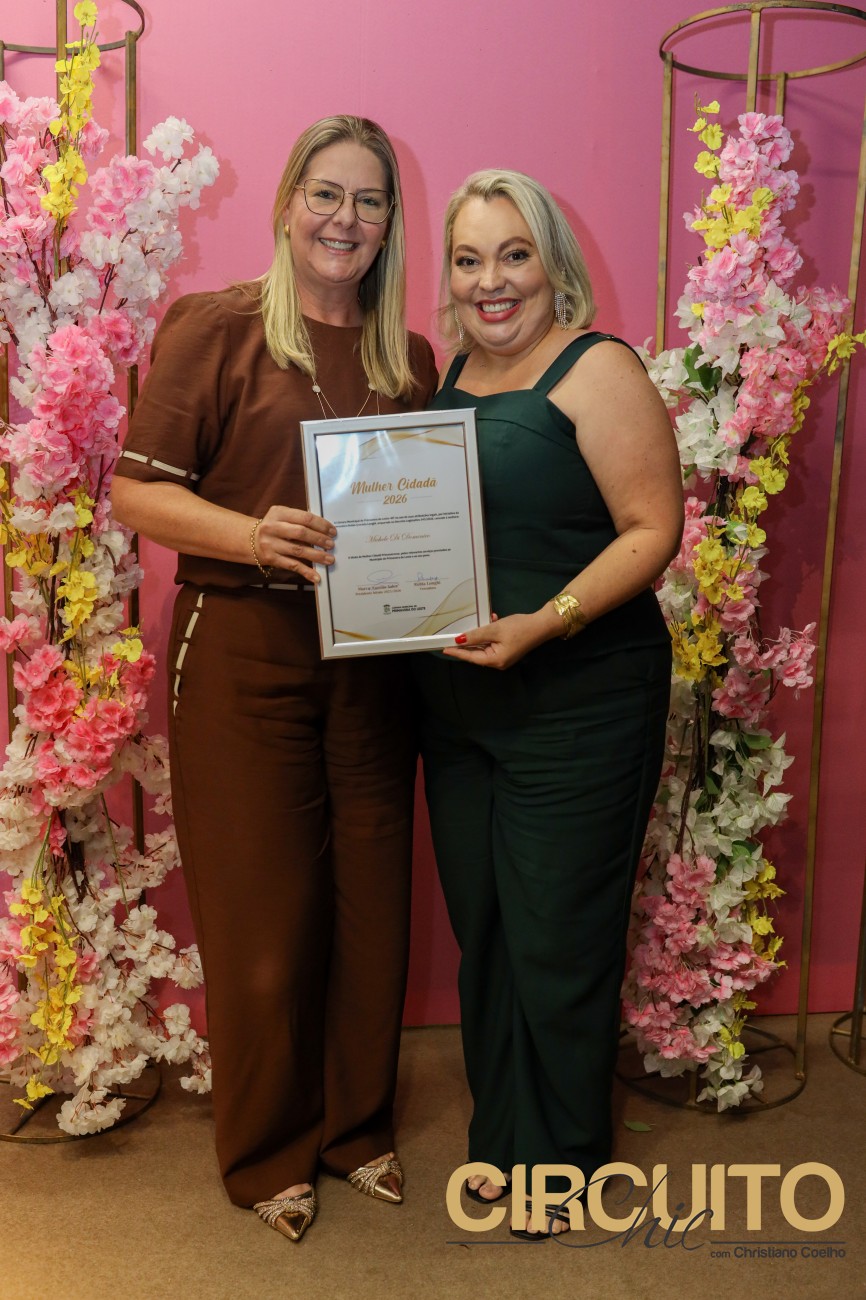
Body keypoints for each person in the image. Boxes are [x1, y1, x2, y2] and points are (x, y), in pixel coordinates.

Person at [111, 115, 437, 1242]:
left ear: (391, 223)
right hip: (242, 653)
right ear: (289, 201)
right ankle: (265, 1153)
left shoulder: (410, 359)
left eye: (370, 200)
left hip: (374, 664)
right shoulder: (216, 328)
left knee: (369, 908)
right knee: (262, 917)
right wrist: (252, 535)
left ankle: (355, 1129)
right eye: (326, 193)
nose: (346, 218)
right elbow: (136, 492)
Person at [412, 170, 684, 1238]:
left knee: (558, 933)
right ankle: (501, 1134)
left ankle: (561, 1157)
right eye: (469, 258)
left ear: (551, 263)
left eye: (513, 254)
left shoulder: (596, 367)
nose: (491, 280)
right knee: (485, 926)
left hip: (582, 697)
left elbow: (652, 529)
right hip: (459, 705)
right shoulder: (447, 376)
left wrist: (547, 620)